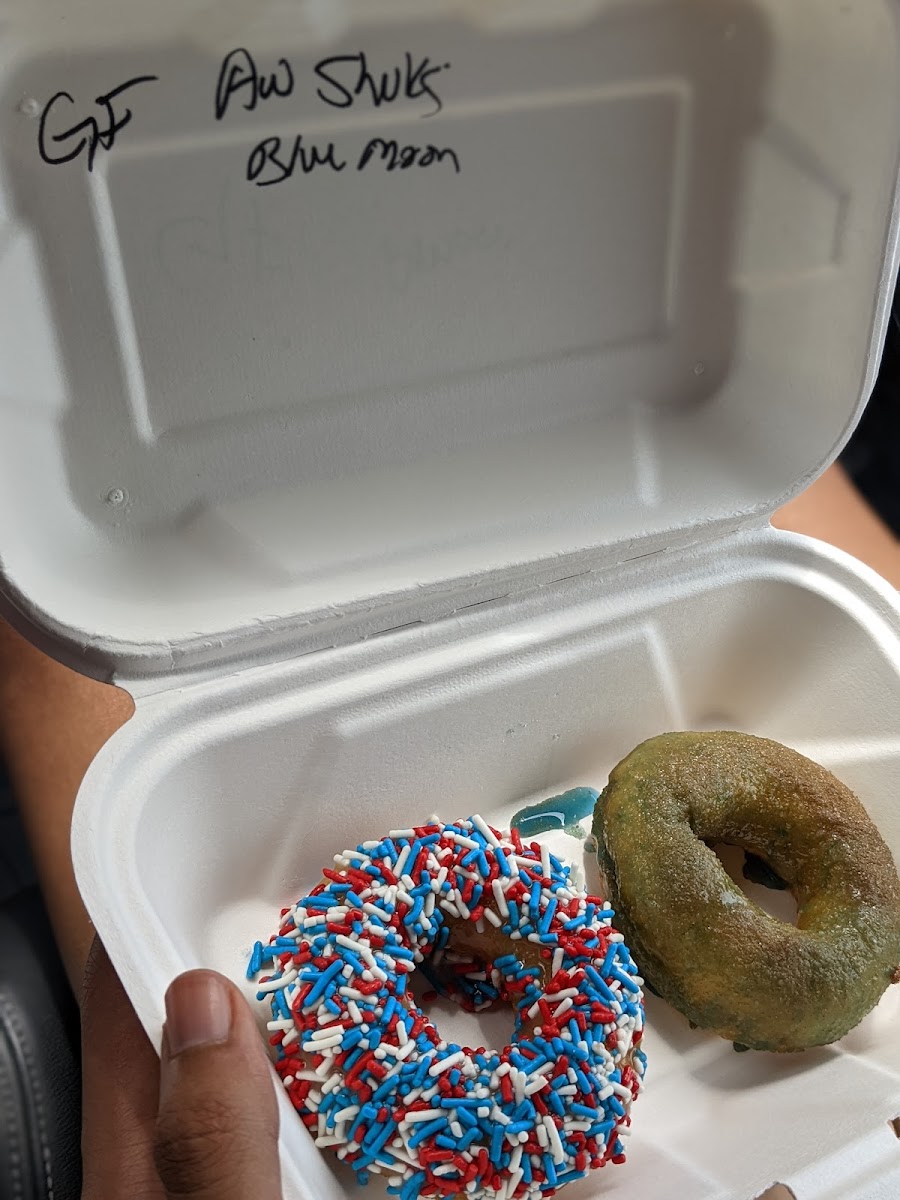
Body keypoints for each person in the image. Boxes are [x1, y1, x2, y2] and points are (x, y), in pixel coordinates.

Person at [1, 462, 898, 1198]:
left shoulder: (583, 960)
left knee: (49, 639)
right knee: (758, 482)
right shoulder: (578, 949)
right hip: (608, 478)